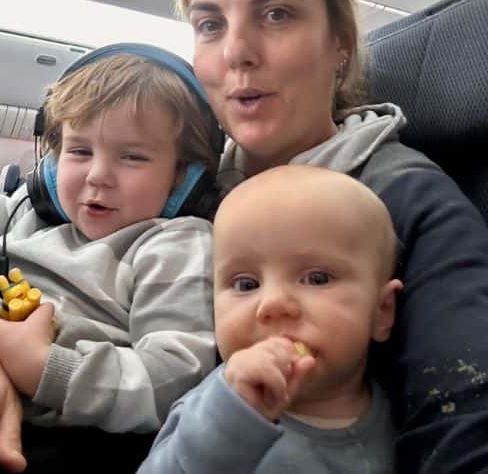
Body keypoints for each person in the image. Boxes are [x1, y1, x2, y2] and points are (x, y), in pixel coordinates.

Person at [179, 0, 488, 473]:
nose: (236, 52)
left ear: (339, 44)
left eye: (275, 14)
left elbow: (461, 426)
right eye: (210, 25)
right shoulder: (186, 186)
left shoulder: (407, 199)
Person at [0, 49, 219, 472]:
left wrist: (47, 368)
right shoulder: (33, 212)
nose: (97, 175)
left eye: (132, 157)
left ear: (183, 178)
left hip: (66, 440)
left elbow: (176, 376)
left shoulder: (173, 244)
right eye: (79, 151)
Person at [140, 165, 402, 473]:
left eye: (316, 278)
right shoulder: (214, 408)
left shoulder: (408, 414)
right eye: (246, 285)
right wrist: (230, 419)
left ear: (382, 311)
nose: (273, 304)